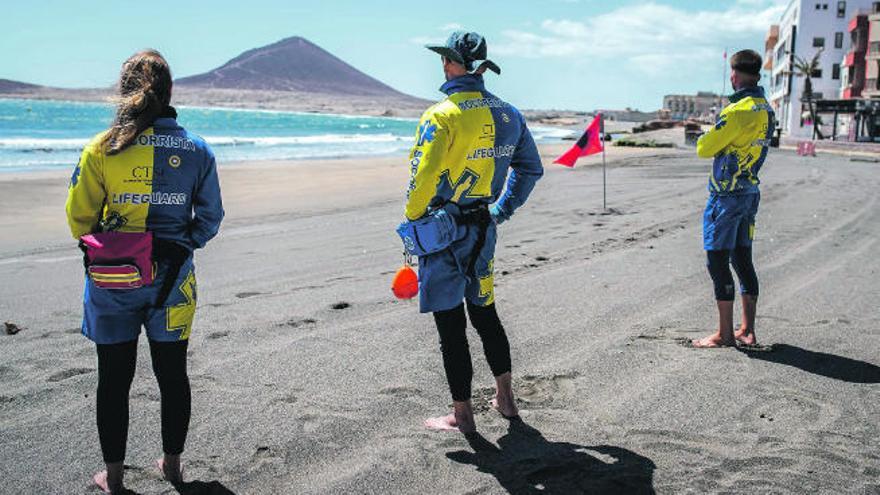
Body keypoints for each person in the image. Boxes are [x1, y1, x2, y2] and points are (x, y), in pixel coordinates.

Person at [65, 50, 224, 493]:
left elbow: (78, 220)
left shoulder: (102, 148)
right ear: (170, 92)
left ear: (125, 92)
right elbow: (210, 218)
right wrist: (174, 249)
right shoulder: (196, 149)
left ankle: (114, 479)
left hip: (111, 282)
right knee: (172, 374)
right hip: (173, 284)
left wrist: (117, 239)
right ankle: (172, 469)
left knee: (113, 379)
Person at [403, 31, 543, 432]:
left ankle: (462, 415)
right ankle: (506, 399)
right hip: (484, 229)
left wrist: (413, 217)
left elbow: (423, 177)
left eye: (444, 59)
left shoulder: (440, 115)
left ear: (451, 63)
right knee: (486, 314)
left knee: (451, 326)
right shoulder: (509, 114)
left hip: (442, 232)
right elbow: (530, 169)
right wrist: (502, 209)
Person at [692, 49, 774, 348]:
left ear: (734, 75)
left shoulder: (737, 111)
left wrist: (706, 134)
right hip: (750, 191)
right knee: (742, 258)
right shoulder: (766, 107)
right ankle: (748, 330)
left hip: (727, 196)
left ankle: (725, 334)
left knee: (717, 260)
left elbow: (705, 148)